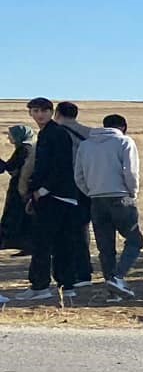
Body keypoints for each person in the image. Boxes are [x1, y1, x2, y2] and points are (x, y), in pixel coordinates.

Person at [21, 98, 91, 302]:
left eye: (44, 110)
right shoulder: (49, 132)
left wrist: (41, 190)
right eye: (35, 110)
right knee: (62, 242)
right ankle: (66, 285)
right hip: (63, 196)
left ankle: (40, 285)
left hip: (55, 195)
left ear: (52, 112)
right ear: (30, 114)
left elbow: (60, 166)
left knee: (43, 242)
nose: (40, 114)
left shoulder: (55, 133)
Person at [76, 113, 143, 297]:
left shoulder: (85, 145)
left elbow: (79, 176)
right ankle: (118, 277)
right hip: (120, 197)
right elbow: (130, 171)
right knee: (135, 240)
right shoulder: (124, 142)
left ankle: (112, 291)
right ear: (123, 127)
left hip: (96, 200)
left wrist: (91, 191)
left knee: (105, 247)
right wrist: (132, 192)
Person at [1, 122, 33, 253]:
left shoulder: (24, 149)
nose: (9, 138)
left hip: (20, 189)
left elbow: (12, 167)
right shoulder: (25, 148)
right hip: (21, 188)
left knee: (16, 217)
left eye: (11, 135)